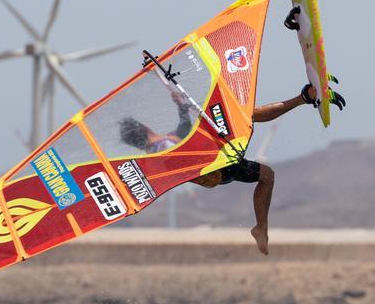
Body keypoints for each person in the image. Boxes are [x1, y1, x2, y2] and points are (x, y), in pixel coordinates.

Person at [120, 83, 343, 255]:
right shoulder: (164, 146)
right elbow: (186, 149)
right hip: (218, 165)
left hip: (216, 164)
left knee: (248, 121)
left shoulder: (156, 150)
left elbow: (184, 131)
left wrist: (181, 108)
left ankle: (304, 98)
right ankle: (304, 98)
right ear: (143, 127)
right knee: (250, 127)